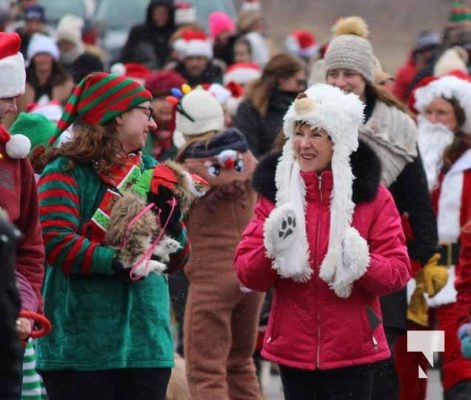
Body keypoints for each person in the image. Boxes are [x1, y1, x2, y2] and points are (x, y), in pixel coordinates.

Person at [233, 83, 411, 400]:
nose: (304, 144)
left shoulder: (373, 197)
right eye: (298, 133)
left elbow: (397, 271)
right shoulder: (276, 195)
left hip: (353, 351)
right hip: (293, 352)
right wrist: (271, 249)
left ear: (339, 142)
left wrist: (362, 263)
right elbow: (248, 274)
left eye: (316, 134)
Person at [35, 72, 190, 400]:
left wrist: (173, 226)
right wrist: (117, 262)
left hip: (146, 345)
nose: (152, 124)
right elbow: (56, 241)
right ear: (117, 115)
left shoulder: (152, 171)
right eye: (145, 112)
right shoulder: (65, 173)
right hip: (82, 350)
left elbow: (176, 259)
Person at [323, 16, 438, 400]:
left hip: (379, 270)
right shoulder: (309, 123)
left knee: (380, 376)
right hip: (321, 269)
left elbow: (419, 205)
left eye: (350, 73)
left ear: (367, 77)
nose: (341, 81)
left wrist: (407, 264)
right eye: (333, 72)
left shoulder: (397, 128)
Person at [173, 88, 264, 399]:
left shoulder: (186, 173)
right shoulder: (246, 161)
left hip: (211, 281)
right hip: (250, 279)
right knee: (241, 365)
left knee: (205, 371)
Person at [410, 74, 471, 399]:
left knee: (458, 362)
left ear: (460, 119)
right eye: (429, 113)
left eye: (443, 113)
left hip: (456, 280)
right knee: (413, 365)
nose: (433, 121)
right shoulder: (414, 161)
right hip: (416, 282)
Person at [0, 31, 45, 398]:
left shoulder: (15, 161)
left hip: (7, 323)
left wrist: (25, 308)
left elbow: (30, 245)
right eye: (5, 97)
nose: (14, 107)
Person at [233, 53, 306, 158]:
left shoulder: (299, 105)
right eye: (299, 82)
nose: (302, 87)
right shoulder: (251, 108)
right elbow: (248, 152)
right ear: (282, 80)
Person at [120, 0, 176, 69]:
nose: (160, 16)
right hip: (143, 71)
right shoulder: (139, 32)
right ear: (151, 13)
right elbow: (126, 55)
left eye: (164, 13)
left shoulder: (175, 32)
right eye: (156, 12)